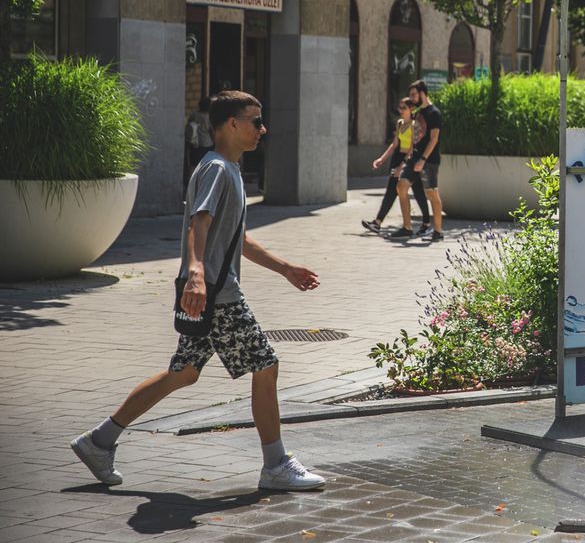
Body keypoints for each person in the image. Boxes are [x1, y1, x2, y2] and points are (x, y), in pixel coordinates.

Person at [70, 90, 326, 492]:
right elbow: (198, 223)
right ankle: (275, 464)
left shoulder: (231, 170)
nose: (263, 129)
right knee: (266, 364)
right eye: (255, 121)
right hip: (216, 294)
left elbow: (235, 238)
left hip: (207, 294)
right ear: (231, 125)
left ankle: (98, 441)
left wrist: (285, 269)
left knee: (184, 374)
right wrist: (194, 272)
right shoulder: (217, 170)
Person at [361, 98, 423, 233]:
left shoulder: (414, 125)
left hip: (410, 160)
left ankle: (427, 223)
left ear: (411, 109)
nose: (401, 111)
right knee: (391, 190)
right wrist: (381, 159)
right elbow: (394, 144)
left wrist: (402, 166)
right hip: (398, 158)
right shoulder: (400, 123)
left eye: (404, 108)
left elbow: (413, 148)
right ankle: (378, 222)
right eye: (400, 108)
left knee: (419, 192)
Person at [393, 79, 443, 242]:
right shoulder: (417, 113)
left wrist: (423, 159)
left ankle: (438, 231)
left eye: (414, 94)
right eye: (410, 95)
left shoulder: (434, 113)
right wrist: (403, 163)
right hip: (414, 158)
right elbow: (415, 139)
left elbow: (434, 139)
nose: (412, 98)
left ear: (422, 93)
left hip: (428, 160)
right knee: (401, 187)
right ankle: (407, 228)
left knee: (432, 194)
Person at [185, 96, 213, 176]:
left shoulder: (194, 113)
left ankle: (191, 181)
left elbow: (189, 122)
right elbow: (210, 131)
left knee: (193, 164)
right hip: (206, 144)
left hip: (195, 143)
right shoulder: (208, 117)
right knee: (205, 164)